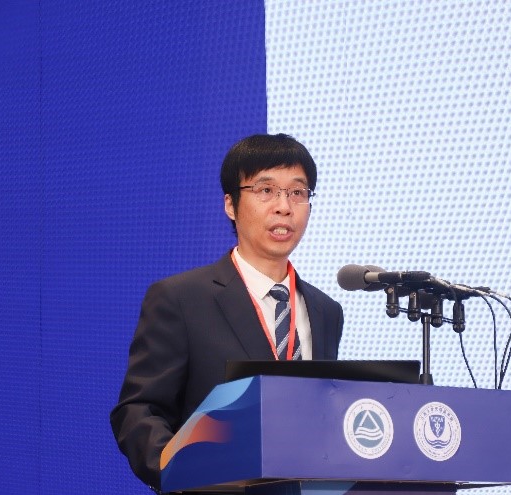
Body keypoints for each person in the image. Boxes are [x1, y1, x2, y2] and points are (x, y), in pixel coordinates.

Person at [110, 134, 345, 492]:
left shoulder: (326, 310)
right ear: (231, 205)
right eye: (266, 190)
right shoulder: (181, 299)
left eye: (297, 192)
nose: (284, 206)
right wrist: (186, 473)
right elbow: (139, 411)